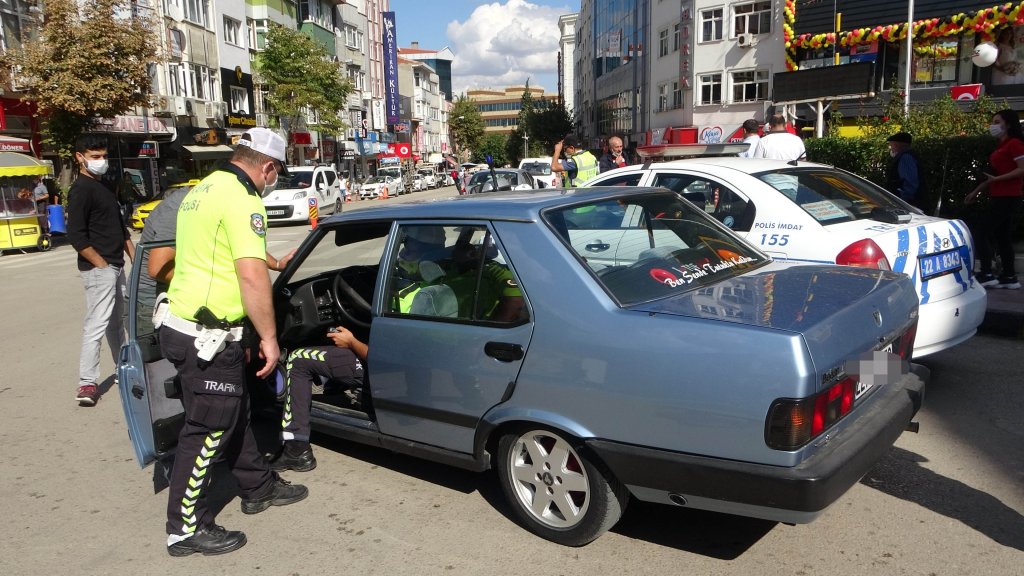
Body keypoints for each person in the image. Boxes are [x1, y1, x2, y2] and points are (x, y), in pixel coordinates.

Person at [158, 127, 308, 557]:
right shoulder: (243, 199)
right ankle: (185, 529)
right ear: (268, 166)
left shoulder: (203, 189)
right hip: (206, 335)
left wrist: (276, 261)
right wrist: (269, 338)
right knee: (206, 432)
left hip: (192, 327)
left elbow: (225, 252)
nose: (271, 180)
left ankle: (256, 487)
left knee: (235, 411)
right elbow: (249, 274)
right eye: (274, 173)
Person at [66, 134, 134, 407]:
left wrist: (135, 258)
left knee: (117, 322)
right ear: (79, 157)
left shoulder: (105, 187)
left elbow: (121, 229)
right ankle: (87, 383)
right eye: (95, 157)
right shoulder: (81, 190)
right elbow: (76, 236)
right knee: (96, 324)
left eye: (103, 156)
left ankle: (123, 369)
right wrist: (102, 263)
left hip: (116, 265)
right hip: (99, 268)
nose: (101, 161)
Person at [271, 326, 367, 472]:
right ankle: (334, 385)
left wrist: (351, 341)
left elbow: (380, 354)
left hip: (376, 367)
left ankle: (296, 448)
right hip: (391, 369)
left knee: (297, 358)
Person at [965, 109, 1024, 290]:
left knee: (981, 232)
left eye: (997, 122)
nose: (993, 126)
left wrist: (996, 181)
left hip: (1007, 196)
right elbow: (992, 176)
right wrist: (976, 191)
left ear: (1008, 124)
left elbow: (1022, 169)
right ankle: (1009, 276)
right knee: (1002, 236)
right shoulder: (1001, 146)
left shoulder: (1015, 144)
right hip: (1001, 195)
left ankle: (987, 273)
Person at [885, 132, 926, 210]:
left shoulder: (906, 158)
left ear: (898, 145)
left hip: (909, 205)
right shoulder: (907, 156)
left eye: (891, 145)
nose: (891, 148)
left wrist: (903, 203)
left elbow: (910, 183)